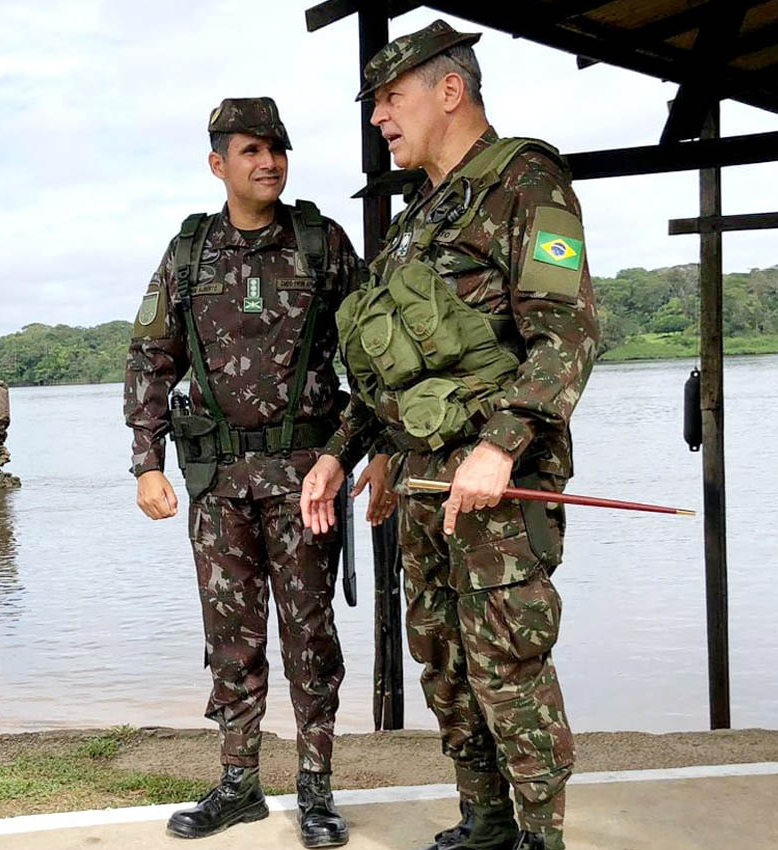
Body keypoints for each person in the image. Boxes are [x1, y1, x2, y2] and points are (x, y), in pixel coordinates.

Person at [301, 20, 599, 850]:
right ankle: (487, 823)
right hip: (424, 482)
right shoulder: (413, 222)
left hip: (496, 484)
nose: (379, 119)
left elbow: (566, 335)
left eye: (390, 99)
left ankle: (543, 837)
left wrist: (500, 446)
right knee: (445, 663)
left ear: (449, 89)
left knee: (508, 666)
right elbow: (390, 376)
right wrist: (339, 454)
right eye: (374, 105)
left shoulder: (524, 181)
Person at [124, 96, 386, 847]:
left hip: (307, 481)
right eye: (250, 150)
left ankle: (316, 789)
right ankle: (238, 784)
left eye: (276, 149)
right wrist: (146, 463)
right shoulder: (189, 253)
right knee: (230, 638)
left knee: (310, 636)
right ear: (218, 164)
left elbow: (374, 355)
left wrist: (370, 449)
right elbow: (148, 357)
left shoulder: (320, 243)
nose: (268, 162)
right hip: (216, 485)